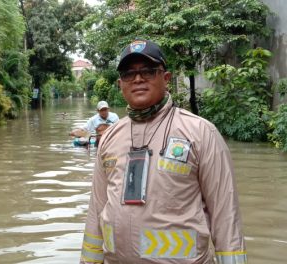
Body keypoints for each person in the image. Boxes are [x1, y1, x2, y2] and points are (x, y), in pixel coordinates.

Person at [80, 39, 246, 264]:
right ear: (120, 84)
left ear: (165, 78)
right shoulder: (110, 136)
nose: (138, 79)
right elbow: (96, 210)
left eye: (148, 71)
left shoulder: (200, 132)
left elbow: (226, 217)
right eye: (129, 74)